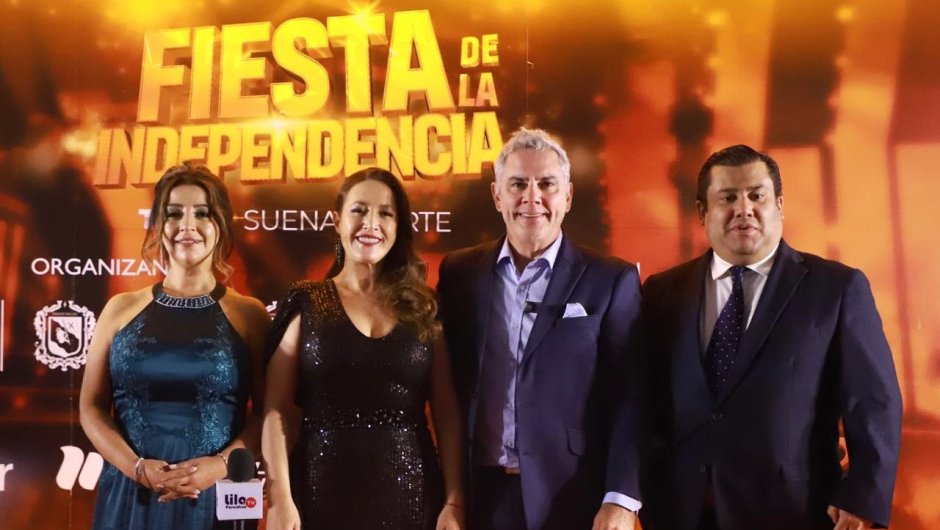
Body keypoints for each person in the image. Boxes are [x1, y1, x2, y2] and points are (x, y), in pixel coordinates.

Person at [639, 145, 902, 530]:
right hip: (681, 510)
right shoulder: (662, 291)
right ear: (702, 212)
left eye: (756, 195)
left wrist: (862, 497)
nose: (743, 209)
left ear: (779, 204)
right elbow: (642, 401)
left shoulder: (836, 288)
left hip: (794, 511)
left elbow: (874, 402)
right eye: (728, 197)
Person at [437, 128, 644, 530]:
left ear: (567, 196)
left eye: (547, 184)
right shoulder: (459, 273)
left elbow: (631, 396)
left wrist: (621, 498)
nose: (532, 198)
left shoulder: (610, 279)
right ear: (497, 196)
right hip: (480, 498)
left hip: (572, 496)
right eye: (517, 184)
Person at [262, 167, 465, 530]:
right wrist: (280, 499)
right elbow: (276, 410)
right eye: (359, 210)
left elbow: (447, 415)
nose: (371, 223)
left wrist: (454, 503)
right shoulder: (305, 300)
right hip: (318, 494)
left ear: (398, 226)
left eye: (385, 213)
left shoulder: (424, 307)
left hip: (412, 499)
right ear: (337, 221)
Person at [79, 164, 270, 530]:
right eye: (174, 213)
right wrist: (136, 468)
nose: (187, 225)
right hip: (130, 491)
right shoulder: (119, 309)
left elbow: (268, 414)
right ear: (157, 224)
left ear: (221, 223)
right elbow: (91, 407)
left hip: (217, 495)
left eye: (202, 213)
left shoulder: (250, 315)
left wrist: (220, 466)